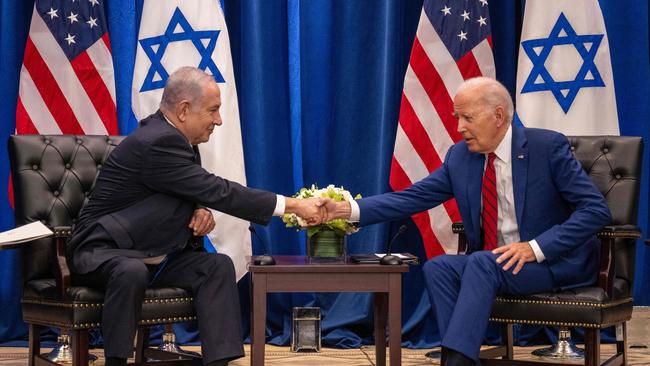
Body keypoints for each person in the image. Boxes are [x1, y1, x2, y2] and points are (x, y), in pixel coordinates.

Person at [323, 77, 611, 365]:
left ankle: (456, 361)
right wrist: (344, 210)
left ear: (498, 116)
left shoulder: (546, 147)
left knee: (481, 262)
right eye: (457, 117)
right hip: (495, 265)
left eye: (468, 117)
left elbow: (595, 210)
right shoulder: (460, 157)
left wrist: (535, 247)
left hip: (552, 262)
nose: (460, 127)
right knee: (439, 267)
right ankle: (460, 359)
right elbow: (409, 198)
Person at [67, 67, 325, 366]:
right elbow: (216, 189)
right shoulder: (158, 141)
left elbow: (181, 189)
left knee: (216, 266)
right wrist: (292, 206)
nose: (219, 120)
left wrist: (199, 209)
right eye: (213, 110)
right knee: (131, 271)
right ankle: (117, 361)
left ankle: (219, 361)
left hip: (153, 252)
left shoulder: (178, 139)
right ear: (184, 110)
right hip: (103, 251)